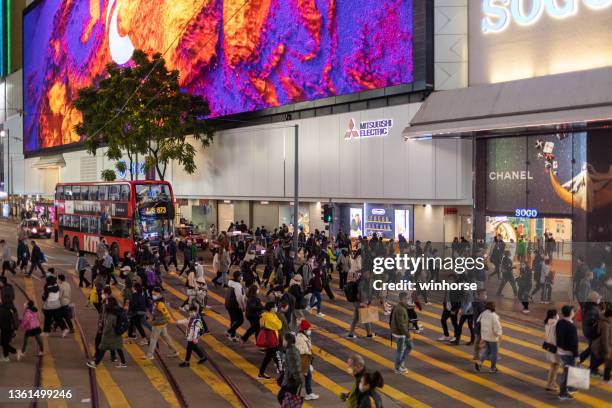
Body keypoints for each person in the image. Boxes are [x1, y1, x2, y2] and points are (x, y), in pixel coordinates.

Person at [87, 297, 127, 368]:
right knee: (118, 348)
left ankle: (96, 363)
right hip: (116, 334)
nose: (106, 303)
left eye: (107, 302)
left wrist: (103, 332)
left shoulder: (111, 313)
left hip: (109, 334)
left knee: (102, 348)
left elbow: (108, 325)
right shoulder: (116, 310)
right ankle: (123, 362)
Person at [144, 287, 179, 360]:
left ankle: (150, 355)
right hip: (162, 322)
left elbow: (166, 312)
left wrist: (171, 320)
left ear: (159, 294)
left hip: (158, 323)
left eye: (155, 294)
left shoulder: (159, 303)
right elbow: (168, 309)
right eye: (152, 294)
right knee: (166, 337)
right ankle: (174, 351)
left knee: (153, 338)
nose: (153, 295)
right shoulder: (161, 301)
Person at [556, 305, 579, 400]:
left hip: (561, 351)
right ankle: (563, 393)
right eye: (573, 311)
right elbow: (574, 343)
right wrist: (576, 356)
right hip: (569, 353)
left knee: (567, 370)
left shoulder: (560, 322)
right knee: (568, 373)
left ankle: (570, 387)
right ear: (570, 313)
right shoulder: (571, 327)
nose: (574, 312)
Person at [258, 301, 283, 380]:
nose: (276, 308)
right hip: (271, 340)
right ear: (272, 308)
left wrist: (277, 322)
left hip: (271, 339)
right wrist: (278, 322)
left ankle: (261, 374)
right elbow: (278, 325)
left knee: (268, 357)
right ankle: (283, 375)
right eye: (275, 306)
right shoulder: (268, 317)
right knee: (277, 357)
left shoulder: (271, 315)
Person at [475, 301, 502, 374]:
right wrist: (499, 335)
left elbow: (478, 321)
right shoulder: (494, 316)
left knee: (487, 351)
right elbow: (497, 327)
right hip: (493, 337)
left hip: (485, 335)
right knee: (494, 353)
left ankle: (479, 362)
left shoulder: (483, 314)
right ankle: (493, 368)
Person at [277, 332, 303, 405]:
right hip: (291, 380)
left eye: (284, 340)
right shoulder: (291, 350)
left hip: (292, 381)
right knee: (285, 398)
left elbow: (295, 368)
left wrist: (298, 380)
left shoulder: (291, 351)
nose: (283, 341)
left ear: (287, 341)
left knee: (283, 397)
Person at [348, 270, 375, 339]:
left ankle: (350, 333)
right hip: (361, 302)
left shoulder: (360, 280)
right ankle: (369, 334)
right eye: (369, 273)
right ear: (365, 273)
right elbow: (361, 293)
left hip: (357, 302)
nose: (370, 274)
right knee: (366, 318)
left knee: (356, 318)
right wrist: (366, 302)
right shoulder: (363, 281)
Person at [296, 319, 318, 400]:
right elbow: (299, 350)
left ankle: (308, 393)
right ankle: (308, 393)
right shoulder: (299, 338)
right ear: (304, 329)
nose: (310, 330)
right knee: (306, 376)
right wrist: (308, 351)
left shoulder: (305, 336)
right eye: (308, 329)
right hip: (303, 359)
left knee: (307, 376)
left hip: (306, 359)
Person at [390, 292, 413, 374]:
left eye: (408, 298)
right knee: (400, 350)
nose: (408, 300)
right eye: (406, 299)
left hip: (402, 332)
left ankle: (401, 362)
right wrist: (408, 335)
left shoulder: (402, 307)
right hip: (400, 333)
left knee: (410, 346)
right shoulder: (400, 309)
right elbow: (401, 325)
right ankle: (397, 367)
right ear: (402, 299)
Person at [591, 309, 612, 385]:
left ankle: (592, 368)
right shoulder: (605, 325)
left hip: (608, 346)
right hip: (606, 347)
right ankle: (606, 379)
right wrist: (608, 351)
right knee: (608, 362)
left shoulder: (606, 321)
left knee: (605, 361)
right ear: (609, 317)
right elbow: (605, 339)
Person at [225, 271, 245, 342]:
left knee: (233, 320)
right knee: (240, 320)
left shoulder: (231, 283)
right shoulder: (238, 285)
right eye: (241, 276)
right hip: (234, 305)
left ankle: (232, 335)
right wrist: (243, 307)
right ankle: (230, 332)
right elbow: (239, 298)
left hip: (228, 304)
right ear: (238, 277)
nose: (242, 277)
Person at [543, 309, 560, 392]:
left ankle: (553, 382)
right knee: (555, 366)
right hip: (555, 347)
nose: (558, 315)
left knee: (553, 366)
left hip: (548, 347)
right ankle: (549, 385)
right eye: (557, 314)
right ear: (554, 315)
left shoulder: (547, 323)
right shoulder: (556, 324)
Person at [0, 297, 17, 361]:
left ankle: (15, 352)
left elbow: (1, 320)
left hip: (5, 328)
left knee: (3, 343)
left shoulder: (2, 309)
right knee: (4, 342)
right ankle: (6, 357)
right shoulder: (10, 308)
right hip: (10, 328)